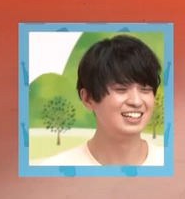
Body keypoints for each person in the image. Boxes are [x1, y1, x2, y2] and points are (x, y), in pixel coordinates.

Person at [39, 35, 165, 166]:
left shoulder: (172, 163)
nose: (136, 101)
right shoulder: (55, 168)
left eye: (145, 90)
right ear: (88, 98)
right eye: (121, 89)